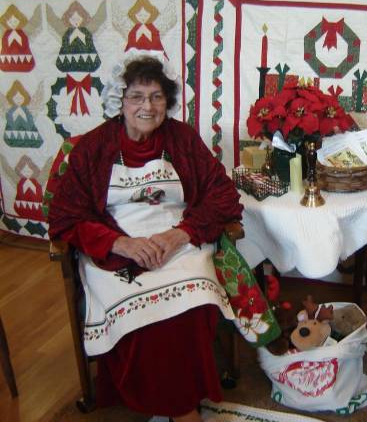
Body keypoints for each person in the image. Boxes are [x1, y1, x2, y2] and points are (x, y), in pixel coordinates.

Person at [48, 50, 243, 422]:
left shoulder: (182, 138)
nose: (147, 106)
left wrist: (180, 234)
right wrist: (122, 243)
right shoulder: (94, 147)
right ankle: (180, 408)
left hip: (179, 240)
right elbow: (66, 214)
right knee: (143, 315)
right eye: (136, 96)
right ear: (119, 101)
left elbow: (222, 194)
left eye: (156, 97)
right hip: (116, 245)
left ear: (167, 101)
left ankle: (175, 404)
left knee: (191, 303)